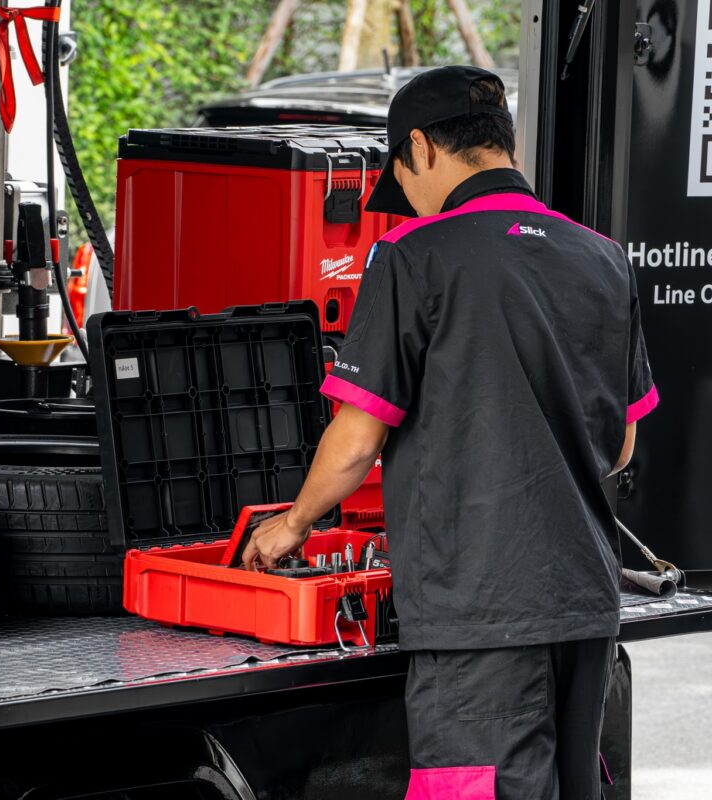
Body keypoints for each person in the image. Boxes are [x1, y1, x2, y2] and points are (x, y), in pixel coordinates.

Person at [240, 65, 657, 800]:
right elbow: (620, 446)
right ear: (509, 144)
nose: (408, 205)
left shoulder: (416, 256)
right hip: (586, 605)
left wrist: (294, 524)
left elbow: (359, 437)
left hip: (479, 615)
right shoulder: (603, 258)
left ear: (423, 150)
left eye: (403, 181)